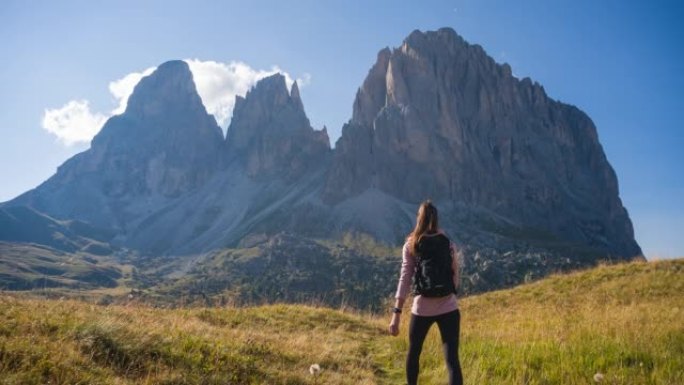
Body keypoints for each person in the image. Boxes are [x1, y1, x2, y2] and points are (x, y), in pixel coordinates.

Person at [389, 200, 463, 385]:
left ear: (418, 219)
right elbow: (455, 276)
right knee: (452, 360)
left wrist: (396, 314)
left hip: (422, 308)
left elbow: (405, 278)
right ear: (436, 219)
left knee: (414, 353)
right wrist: (448, 295)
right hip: (449, 308)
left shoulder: (411, 245)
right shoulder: (448, 243)